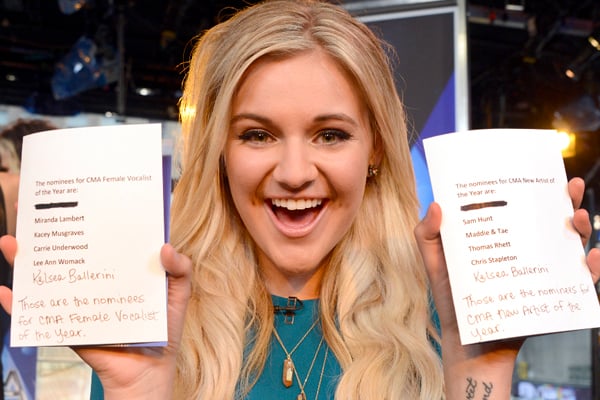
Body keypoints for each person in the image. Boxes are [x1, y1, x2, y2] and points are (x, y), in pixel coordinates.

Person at [0, 1, 598, 399]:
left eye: (330, 135)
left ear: (374, 150)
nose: (293, 174)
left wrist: (481, 369)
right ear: (219, 152)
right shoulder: (154, 326)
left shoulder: (438, 322)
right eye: (256, 135)